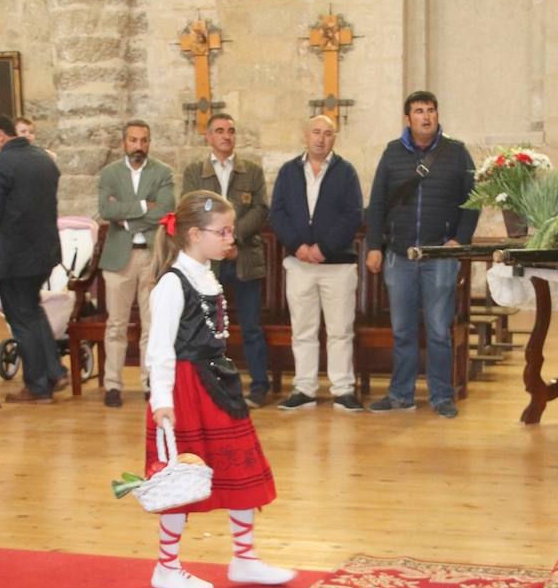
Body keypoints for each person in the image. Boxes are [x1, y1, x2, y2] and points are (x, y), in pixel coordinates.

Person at [144, 190, 295, 588]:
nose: (231, 238)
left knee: (240, 467)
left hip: (216, 382)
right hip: (185, 389)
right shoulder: (172, 284)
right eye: (223, 231)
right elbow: (158, 348)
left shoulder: (207, 275)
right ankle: (166, 566)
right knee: (182, 478)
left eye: (231, 230)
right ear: (194, 234)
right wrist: (161, 401)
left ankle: (245, 558)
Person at [364, 91, 478, 419]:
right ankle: (401, 395)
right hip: (400, 256)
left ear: (437, 115)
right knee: (402, 330)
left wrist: (460, 239)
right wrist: (374, 246)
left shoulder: (456, 153)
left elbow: (474, 198)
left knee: (439, 330)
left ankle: (442, 396)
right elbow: (378, 203)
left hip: (439, 256)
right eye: (418, 111)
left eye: (430, 110)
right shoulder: (392, 152)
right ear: (408, 118)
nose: (426, 117)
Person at [269, 115, 364, 412]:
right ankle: (304, 388)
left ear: (334, 139)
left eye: (327, 134)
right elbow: (278, 213)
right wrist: (298, 247)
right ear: (305, 135)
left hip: (337, 266)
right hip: (299, 265)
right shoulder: (288, 171)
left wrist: (324, 248)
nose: (321, 139)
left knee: (339, 330)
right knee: (303, 330)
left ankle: (343, 389)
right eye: (316, 132)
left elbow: (353, 215)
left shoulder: (346, 172)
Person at [179, 114, 271, 407]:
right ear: (208, 137)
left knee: (251, 326)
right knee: (207, 327)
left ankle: (258, 387)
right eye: (219, 131)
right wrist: (217, 242)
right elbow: (191, 209)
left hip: (243, 257)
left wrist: (232, 238)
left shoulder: (251, 172)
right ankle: (210, 386)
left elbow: (260, 209)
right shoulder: (195, 171)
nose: (226, 136)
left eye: (231, 130)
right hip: (208, 262)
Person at [0, 114, 66, 403]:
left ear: (0, 135)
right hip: (43, 253)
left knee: (21, 319)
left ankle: (38, 386)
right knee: (32, 311)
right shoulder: (43, 159)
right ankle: (54, 371)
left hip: (13, 257)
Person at [97, 119, 175, 407]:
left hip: (152, 257)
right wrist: (144, 207)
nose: (138, 146)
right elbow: (106, 209)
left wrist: (125, 217)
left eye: (144, 140)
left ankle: (150, 383)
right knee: (116, 324)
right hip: (119, 258)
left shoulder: (162, 172)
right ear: (124, 143)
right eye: (133, 140)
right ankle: (113, 385)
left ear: (149, 143)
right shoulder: (110, 173)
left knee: (152, 325)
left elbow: (166, 209)